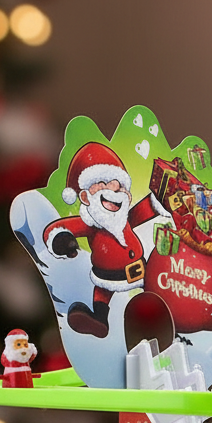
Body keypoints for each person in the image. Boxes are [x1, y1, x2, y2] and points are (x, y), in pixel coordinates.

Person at [42, 142, 169, 338]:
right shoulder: (90, 223)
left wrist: (156, 202)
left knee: (153, 290)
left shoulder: (123, 218)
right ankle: (99, 319)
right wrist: (62, 240)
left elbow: (141, 212)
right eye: (102, 186)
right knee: (102, 293)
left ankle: (164, 310)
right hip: (106, 274)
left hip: (140, 269)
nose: (111, 191)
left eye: (117, 186)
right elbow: (60, 228)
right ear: (85, 197)